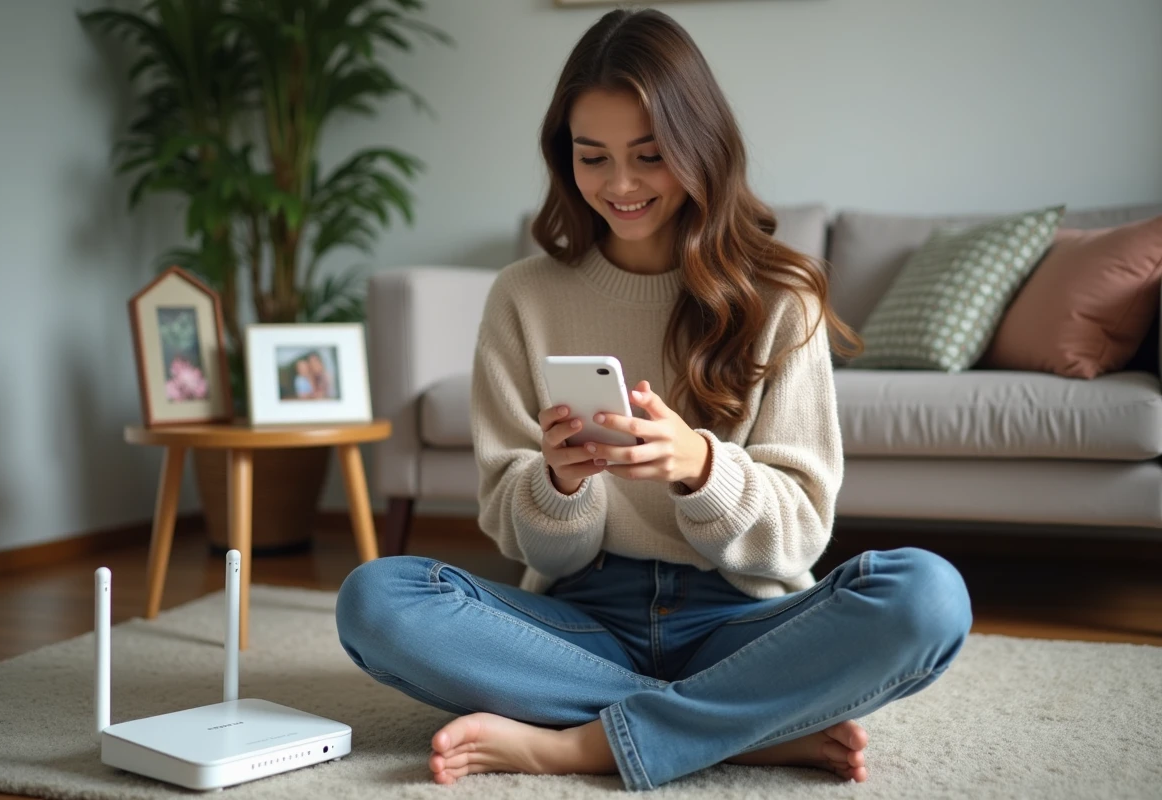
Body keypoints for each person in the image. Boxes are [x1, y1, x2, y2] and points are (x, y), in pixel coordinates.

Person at [335, 8, 971, 792]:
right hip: (577, 621)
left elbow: (801, 535)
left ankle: (579, 744)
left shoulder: (781, 294)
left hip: (740, 618)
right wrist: (560, 484)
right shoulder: (522, 297)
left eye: (650, 155)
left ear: (700, 148)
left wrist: (704, 467)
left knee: (929, 598)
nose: (621, 185)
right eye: (592, 157)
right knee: (376, 601)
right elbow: (524, 539)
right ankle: (738, 726)